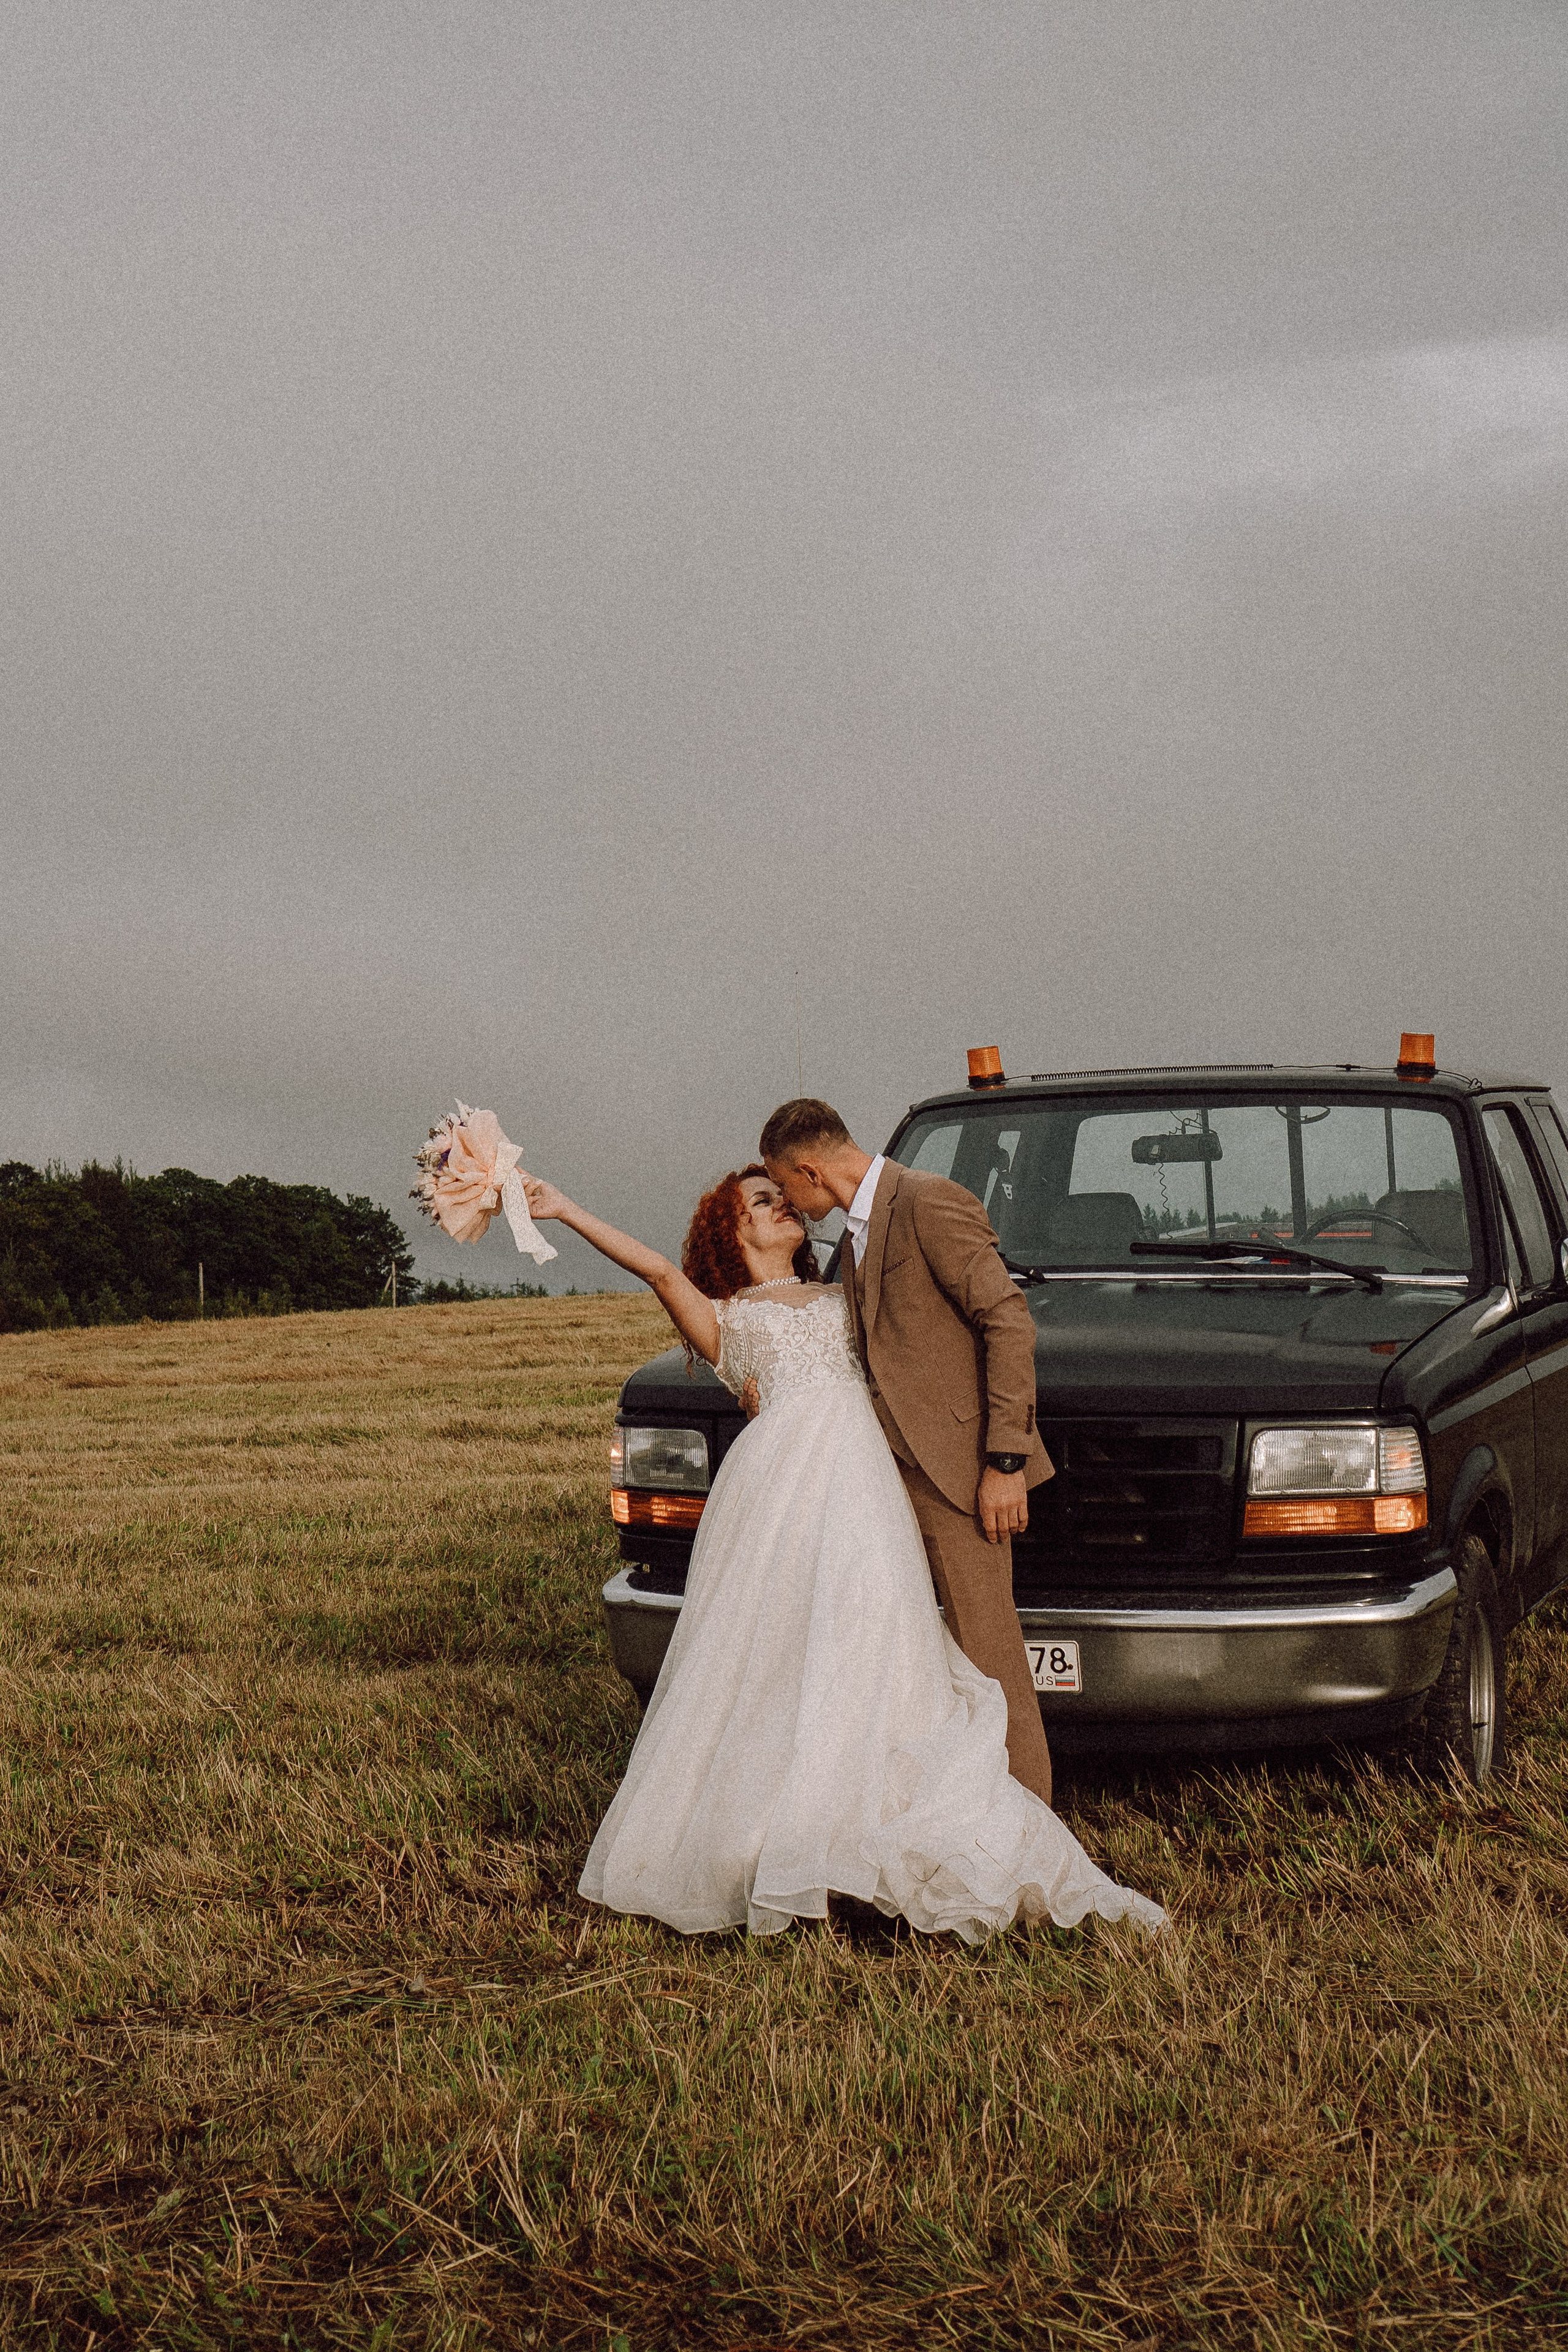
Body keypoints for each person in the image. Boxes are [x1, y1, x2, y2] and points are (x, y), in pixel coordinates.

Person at [518, 1158, 1164, 1943]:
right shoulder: (725, 1317)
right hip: (777, 1494)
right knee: (775, 1652)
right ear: (734, 1230)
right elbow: (654, 1267)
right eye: (763, 1203)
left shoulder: (844, 1292)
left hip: (863, 1488)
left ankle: (875, 1812)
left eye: (787, 1198)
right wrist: (562, 1207)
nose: (784, 1209)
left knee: (875, 1636)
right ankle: (767, 1833)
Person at [760, 1098, 1056, 1804]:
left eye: (785, 1188)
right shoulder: (857, 1233)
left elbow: (1008, 1323)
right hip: (884, 1480)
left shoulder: (928, 1202)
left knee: (990, 1660)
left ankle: (1030, 1830)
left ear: (808, 1170)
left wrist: (1004, 1463)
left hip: (960, 1479)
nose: (791, 1206)